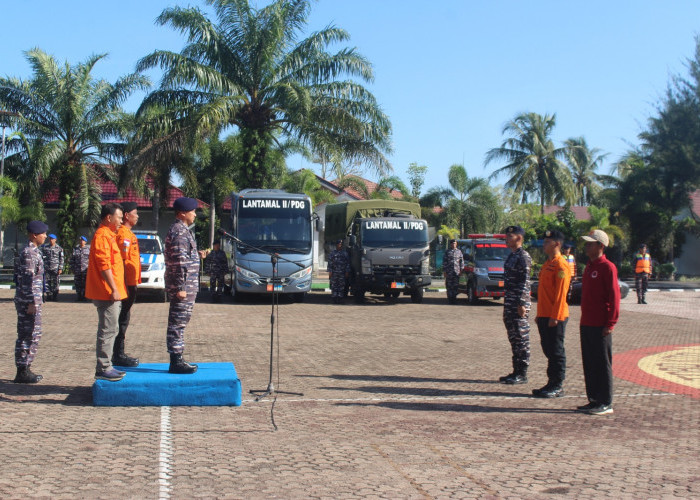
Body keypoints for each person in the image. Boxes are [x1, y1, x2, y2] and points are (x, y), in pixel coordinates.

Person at [578, 229, 620, 415]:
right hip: (586, 322)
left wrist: (610, 323)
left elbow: (614, 297)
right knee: (590, 363)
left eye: (590, 243)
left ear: (600, 246)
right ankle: (593, 399)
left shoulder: (607, 267)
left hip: (600, 325)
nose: (587, 246)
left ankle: (605, 402)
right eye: (586, 243)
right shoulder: (589, 266)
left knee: (602, 363)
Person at [86, 203, 127, 382]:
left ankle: (106, 365)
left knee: (112, 328)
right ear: (108, 218)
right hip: (107, 292)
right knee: (108, 329)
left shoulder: (110, 235)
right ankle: (103, 367)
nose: (121, 221)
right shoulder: (102, 235)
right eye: (119, 218)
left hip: (110, 291)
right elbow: (105, 265)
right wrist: (114, 289)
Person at [165, 197, 207, 374]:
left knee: (180, 322)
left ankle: (178, 357)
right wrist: (181, 287)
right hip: (183, 287)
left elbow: (184, 257)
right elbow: (179, 262)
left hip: (186, 286)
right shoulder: (180, 232)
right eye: (193, 211)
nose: (195, 214)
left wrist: (196, 255)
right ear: (182, 213)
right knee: (177, 322)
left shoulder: (182, 230)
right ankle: (176, 360)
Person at [532, 230, 571, 398]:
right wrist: (540, 314)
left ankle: (557, 385)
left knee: (556, 351)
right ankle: (551, 383)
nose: (544, 244)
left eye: (547, 242)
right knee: (548, 350)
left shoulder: (561, 265)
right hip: (544, 314)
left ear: (557, 244)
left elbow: (561, 294)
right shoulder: (547, 264)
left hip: (556, 316)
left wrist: (555, 316)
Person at [13, 220, 49, 384]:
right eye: (43, 234)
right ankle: (22, 370)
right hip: (29, 301)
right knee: (27, 335)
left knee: (32, 334)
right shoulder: (29, 253)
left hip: (32, 300)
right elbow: (27, 280)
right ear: (35, 235)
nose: (45, 236)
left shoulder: (34, 251)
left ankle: (26, 367)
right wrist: (31, 303)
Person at [500, 225, 532, 385]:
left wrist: (521, 302)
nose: (506, 239)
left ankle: (522, 372)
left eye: (509, 236)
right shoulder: (512, 255)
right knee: (514, 337)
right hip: (510, 302)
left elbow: (525, 281)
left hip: (519, 303)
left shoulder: (523, 256)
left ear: (519, 238)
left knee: (521, 337)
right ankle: (516, 370)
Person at [115, 201, 141, 367]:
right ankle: (118, 354)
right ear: (126, 215)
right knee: (121, 319)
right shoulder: (123, 235)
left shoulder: (128, 234)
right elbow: (123, 261)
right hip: (125, 283)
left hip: (130, 281)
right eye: (135, 213)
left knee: (124, 317)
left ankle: (119, 352)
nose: (137, 216)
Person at [41, 233, 64, 301]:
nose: (51, 240)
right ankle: (48, 295)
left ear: (55, 240)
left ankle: (55, 296)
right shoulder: (45, 247)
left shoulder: (59, 248)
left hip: (55, 268)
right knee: (47, 282)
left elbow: (61, 259)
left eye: (52, 239)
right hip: (47, 268)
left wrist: (60, 268)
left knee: (55, 282)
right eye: (50, 239)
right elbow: (42, 257)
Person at [327, 239, 350, 304]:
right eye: (339, 244)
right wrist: (330, 272)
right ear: (336, 245)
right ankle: (334, 298)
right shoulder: (332, 253)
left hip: (342, 273)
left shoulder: (345, 253)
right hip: (334, 273)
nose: (340, 245)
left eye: (341, 244)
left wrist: (347, 272)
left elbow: (347, 263)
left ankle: (340, 299)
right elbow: (330, 263)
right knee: (334, 286)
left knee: (341, 286)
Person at [443, 239, 464, 304]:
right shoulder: (447, 252)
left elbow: (461, 262)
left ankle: (454, 299)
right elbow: (444, 262)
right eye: (452, 243)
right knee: (449, 286)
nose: (453, 244)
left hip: (456, 272)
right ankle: (450, 299)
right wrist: (444, 271)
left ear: (456, 244)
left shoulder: (459, 252)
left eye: (454, 243)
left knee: (455, 286)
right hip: (449, 272)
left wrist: (461, 270)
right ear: (450, 244)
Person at [70, 236, 90, 301]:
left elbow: (91, 259)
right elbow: (72, 259)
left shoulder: (88, 249)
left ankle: (84, 296)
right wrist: (72, 268)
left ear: (85, 242)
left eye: (83, 241)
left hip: (85, 269)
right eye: (80, 240)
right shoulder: (75, 249)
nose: (81, 242)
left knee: (85, 283)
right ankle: (79, 296)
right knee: (77, 283)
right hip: (77, 269)